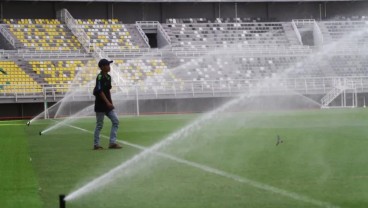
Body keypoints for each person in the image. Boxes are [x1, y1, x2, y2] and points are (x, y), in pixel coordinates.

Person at [93, 59, 122, 150]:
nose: (109, 67)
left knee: (116, 121)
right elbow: (100, 91)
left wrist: (110, 102)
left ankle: (112, 143)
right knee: (99, 125)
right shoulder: (100, 77)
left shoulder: (109, 77)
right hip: (100, 105)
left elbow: (107, 91)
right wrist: (108, 102)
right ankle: (96, 144)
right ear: (102, 67)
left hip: (108, 105)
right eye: (107, 65)